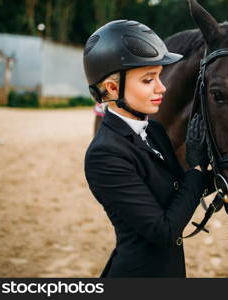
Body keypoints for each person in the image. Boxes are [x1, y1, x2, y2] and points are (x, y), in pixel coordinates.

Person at [83, 20, 212, 277]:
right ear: (112, 87)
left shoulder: (153, 130)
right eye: (148, 80)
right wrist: (197, 169)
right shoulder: (104, 154)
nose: (161, 87)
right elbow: (164, 230)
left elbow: (181, 190)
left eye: (159, 77)